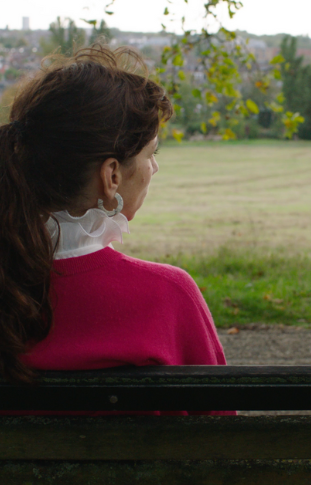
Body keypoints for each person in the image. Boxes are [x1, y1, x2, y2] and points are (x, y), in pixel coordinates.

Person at [0, 45, 234, 416]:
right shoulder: (167, 296)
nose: (154, 168)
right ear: (111, 175)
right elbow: (219, 432)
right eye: (150, 153)